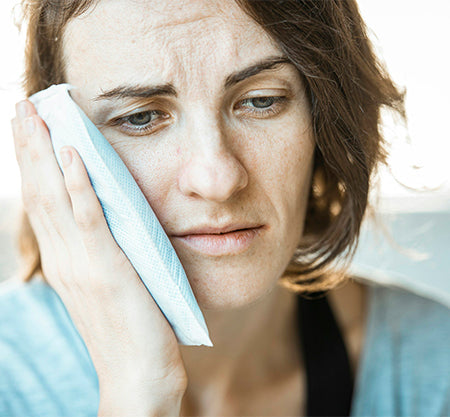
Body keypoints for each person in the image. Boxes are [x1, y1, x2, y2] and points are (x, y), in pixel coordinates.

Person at [1, 0, 449, 416]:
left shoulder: (434, 363)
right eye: (140, 116)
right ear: (52, 139)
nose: (217, 180)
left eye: (261, 101)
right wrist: (138, 393)